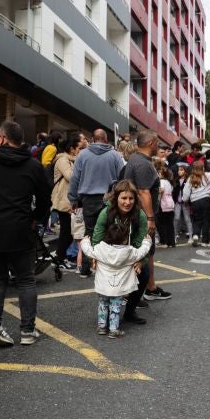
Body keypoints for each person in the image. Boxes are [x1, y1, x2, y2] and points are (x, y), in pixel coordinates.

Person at [0, 120, 51, 347]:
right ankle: (27, 330)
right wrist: (36, 219)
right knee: (25, 279)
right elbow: (45, 200)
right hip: (21, 229)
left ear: (1, 138)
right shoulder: (33, 166)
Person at [91, 180, 150, 326]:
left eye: (131, 198)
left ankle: (130, 312)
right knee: (109, 279)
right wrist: (94, 257)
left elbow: (142, 240)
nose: (127, 202)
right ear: (116, 197)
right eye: (123, 198)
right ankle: (109, 310)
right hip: (108, 253)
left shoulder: (140, 215)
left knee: (144, 274)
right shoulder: (106, 213)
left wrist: (139, 261)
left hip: (129, 253)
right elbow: (96, 238)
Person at [80, 221, 152, 339]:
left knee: (103, 304)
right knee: (115, 307)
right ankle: (113, 329)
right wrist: (147, 242)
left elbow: (88, 250)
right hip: (118, 288)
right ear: (125, 239)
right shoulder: (129, 252)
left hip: (103, 286)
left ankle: (102, 327)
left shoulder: (100, 249)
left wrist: (85, 241)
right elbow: (141, 252)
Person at [67, 128, 124, 277]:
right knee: (110, 231)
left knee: (90, 233)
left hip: (88, 199)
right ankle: (108, 267)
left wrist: (73, 199)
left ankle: (86, 269)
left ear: (92, 139)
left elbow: (74, 179)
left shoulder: (82, 155)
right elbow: (122, 178)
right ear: (106, 140)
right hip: (110, 199)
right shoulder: (115, 155)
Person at [123, 130, 171, 301]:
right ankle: (132, 295)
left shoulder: (138, 160)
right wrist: (150, 218)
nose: (159, 146)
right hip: (141, 216)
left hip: (140, 215)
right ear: (151, 143)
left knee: (147, 252)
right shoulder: (142, 163)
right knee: (140, 254)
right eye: (157, 142)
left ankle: (150, 288)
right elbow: (144, 192)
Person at [51, 138, 79, 270]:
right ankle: (59, 259)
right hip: (63, 200)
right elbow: (71, 177)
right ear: (71, 149)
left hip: (68, 200)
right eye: (78, 148)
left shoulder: (70, 160)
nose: (79, 151)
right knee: (66, 232)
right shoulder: (63, 160)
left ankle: (61, 257)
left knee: (69, 232)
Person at [156, 159, 176, 248]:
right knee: (170, 224)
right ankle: (171, 242)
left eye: (159, 172)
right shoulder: (169, 182)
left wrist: (157, 199)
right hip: (170, 204)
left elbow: (161, 191)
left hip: (163, 204)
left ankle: (164, 241)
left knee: (162, 224)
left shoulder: (161, 182)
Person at [172, 163, 193, 240]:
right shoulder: (176, 180)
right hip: (177, 202)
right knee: (176, 218)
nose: (179, 171)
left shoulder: (188, 180)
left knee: (187, 219)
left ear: (185, 172)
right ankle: (174, 235)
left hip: (185, 202)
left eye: (181, 170)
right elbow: (173, 191)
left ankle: (191, 236)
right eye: (178, 170)